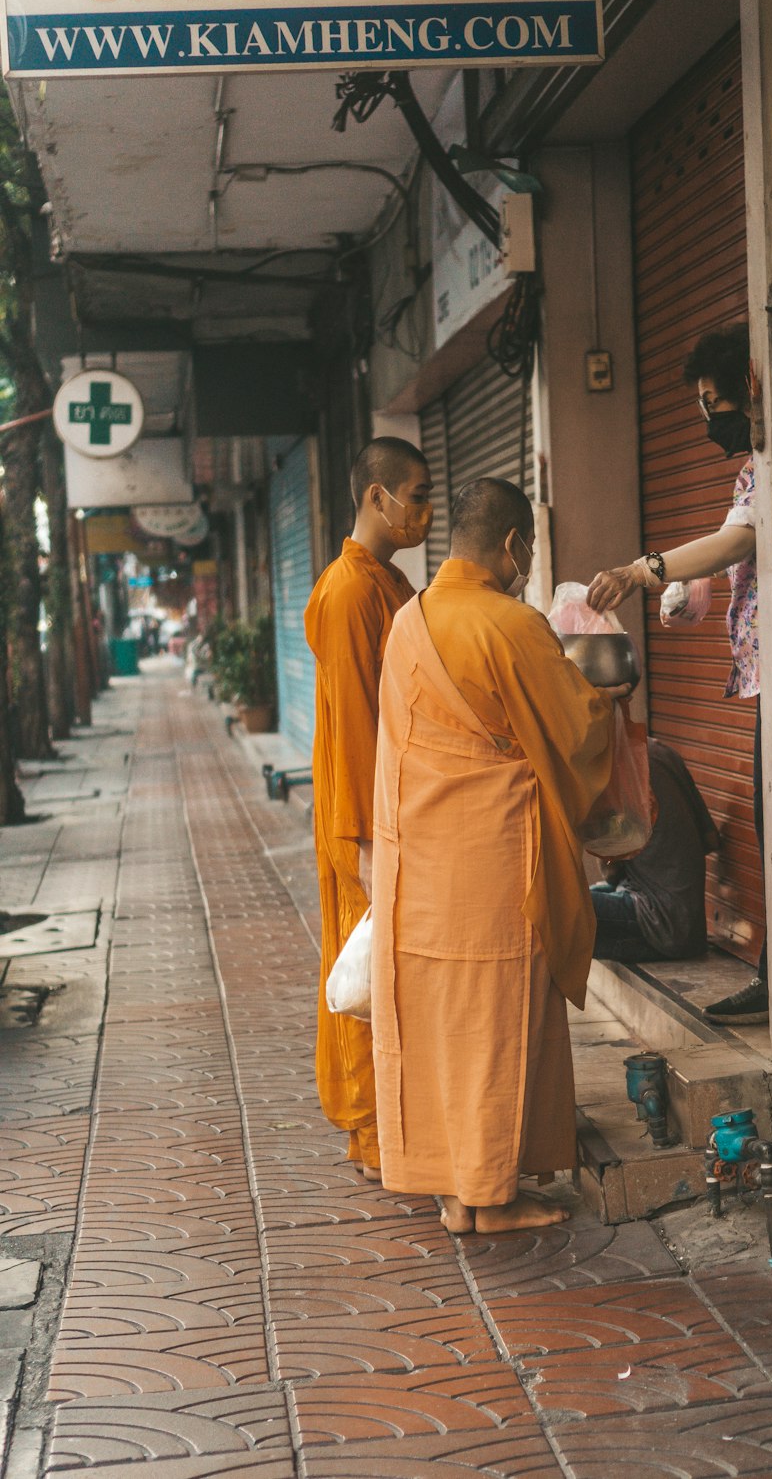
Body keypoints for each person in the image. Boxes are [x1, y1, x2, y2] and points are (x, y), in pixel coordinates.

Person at [371, 477, 624, 1234]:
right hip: (491, 862)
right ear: (514, 546)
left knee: (440, 1027)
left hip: (416, 864)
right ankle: (489, 1196)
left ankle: (456, 1189)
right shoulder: (510, 623)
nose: (529, 562)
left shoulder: (407, 620)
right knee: (494, 1019)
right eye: (531, 549)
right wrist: (610, 684)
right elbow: (578, 730)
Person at [587, 322, 768, 1025]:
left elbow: (740, 537)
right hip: (759, 677)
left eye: (713, 403)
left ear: (751, 391)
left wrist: (644, 569)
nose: (706, 421)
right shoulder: (753, 469)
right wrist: (686, 591)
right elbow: (730, 549)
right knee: (770, 826)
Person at [304, 436, 433, 1181]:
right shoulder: (352, 590)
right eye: (415, 495)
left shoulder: (383, 580)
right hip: (362, 813)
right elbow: (355, 722)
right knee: (367, 977)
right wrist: (361, 841)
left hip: (393, 806)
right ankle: (375, 1134)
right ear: (376, 497)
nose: (423, 510)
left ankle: (396, 1127)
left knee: (392, 974)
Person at [591, 738, 719, 963]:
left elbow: (610, 870)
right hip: (691, 925)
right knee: (594, 893)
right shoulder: (660, 751)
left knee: (552, 906)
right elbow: (710, 839)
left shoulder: (612, 772)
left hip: (658, 923)